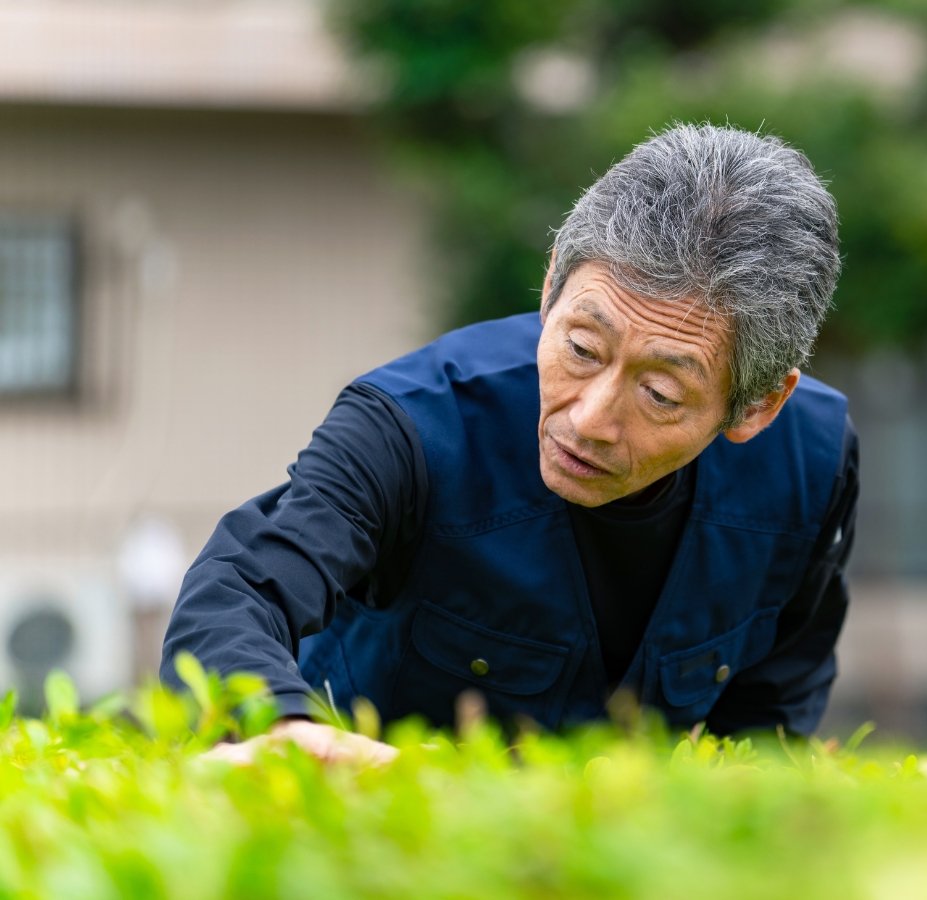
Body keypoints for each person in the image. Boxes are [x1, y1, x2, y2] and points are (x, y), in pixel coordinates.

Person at [162, 124, 857, 764]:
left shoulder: (808, 464)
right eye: (583, 348)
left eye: (661, 394)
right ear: (553, 282)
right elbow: (240, 585)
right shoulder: (414, 421)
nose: (589, 419)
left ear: (758, 405)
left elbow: (771, 707)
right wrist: (280, 731)